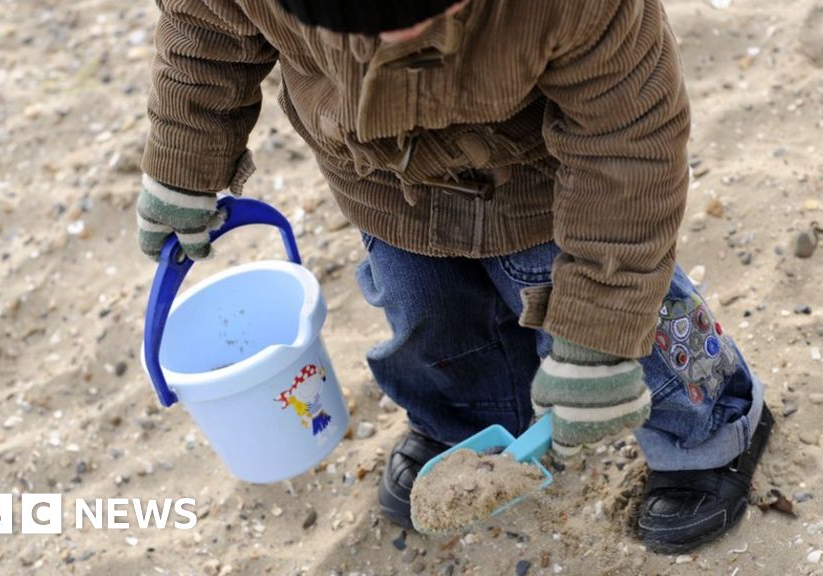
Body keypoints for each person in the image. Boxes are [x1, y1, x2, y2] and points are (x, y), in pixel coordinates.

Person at [135, 0, 773, 553]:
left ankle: (713, 427)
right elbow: (206, 39)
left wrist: (599, 341)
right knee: (427, 315)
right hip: (382, 185)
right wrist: (182, 165)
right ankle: (468, 422)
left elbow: (628, 149)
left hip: (545, 183)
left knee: (623, 315)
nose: (392, 39)